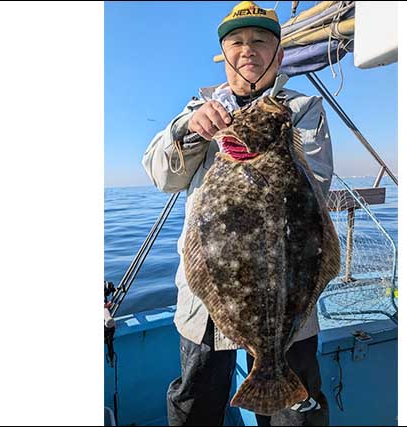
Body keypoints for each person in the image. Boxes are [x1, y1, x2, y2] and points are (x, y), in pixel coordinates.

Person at [142, 2, 334, 425]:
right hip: (206, 301)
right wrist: (190, 131)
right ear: (223, 54)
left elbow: (313, 185)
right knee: (196, 405)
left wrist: (270, 144)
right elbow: (161, 174)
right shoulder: (198, 110)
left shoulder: (301, 109)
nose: (248, 50)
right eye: (237, 42)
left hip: (285, 292)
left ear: (278, 55)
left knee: (296, 415)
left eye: (261, 42)